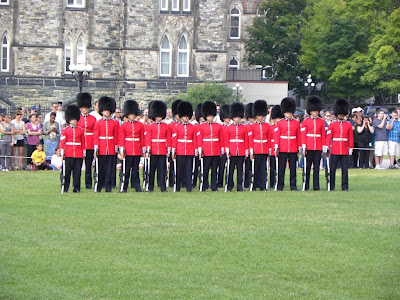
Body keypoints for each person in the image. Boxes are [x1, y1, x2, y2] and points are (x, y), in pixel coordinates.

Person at [325, 98, 354, 191]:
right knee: (332, 169)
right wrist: (326, 146)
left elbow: (350, 137)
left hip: (345, 149)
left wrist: (351, 147)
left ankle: (344, 186)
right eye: (340, 114)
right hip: (335, 149)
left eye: (342, 114)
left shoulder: (348, 124)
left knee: (344, 170)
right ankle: (331, 186)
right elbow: (329, 136)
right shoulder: (333, 125)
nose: (341, 115)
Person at [274, 97, 301, 191]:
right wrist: (276, 146)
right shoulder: (280, 123)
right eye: (287, 112)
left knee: (293, 168)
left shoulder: (296, 123)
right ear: (284, 112)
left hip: (293, 147)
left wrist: (299, 147)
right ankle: (280, 185)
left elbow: (298, 136)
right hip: (283, 147)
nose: (288, 114)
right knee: (281, 168)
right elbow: (277, 135)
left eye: (290, 112)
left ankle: (293, 185)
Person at [118, 100, 145, 192]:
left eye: (134, 114)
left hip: (137, 149)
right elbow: (121, 139)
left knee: (135, 170)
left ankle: (137, 186)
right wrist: (122, 150)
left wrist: (143, 150)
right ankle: (124, 186)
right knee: (126, 169)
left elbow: (142, 138)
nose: (132, 116)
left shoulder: (140, 125)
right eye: (130, 114)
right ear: (128, 115)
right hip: (128, 149)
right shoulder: (123, 126)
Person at [93, 96, 119, 193]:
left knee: (110, 169)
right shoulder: (98, 123)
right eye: (105, 110)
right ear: (102, 111)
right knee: (101, 169)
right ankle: (99, 186)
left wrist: (116, 148)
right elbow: (96, 137)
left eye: (108, 110)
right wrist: (96, 148)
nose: (107, 112)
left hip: (111, 148)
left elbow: (116, 136)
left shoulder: (115, 123)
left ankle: (108, 187)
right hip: (101, 147)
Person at [301, 96, 326, 191]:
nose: (315, 112)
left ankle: (316, 186)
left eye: (316, 111)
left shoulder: (321, 122)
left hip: (318, 146)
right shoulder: (306, 121)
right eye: (314, 111)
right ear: (310, 111)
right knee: (307, 167)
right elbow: (303, 135)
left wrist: (323, 146)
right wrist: (304, 147)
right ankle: (306, 185)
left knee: (317, 167)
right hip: (309, 146)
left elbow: (323, 134)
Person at [198, 101, 223, 192]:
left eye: (212, 116)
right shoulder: (201, 126)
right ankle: (204, 185)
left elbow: (221, 139)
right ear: (205, 116)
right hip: (206, 150)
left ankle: (214, 186)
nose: (210, 118)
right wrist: (200, 150)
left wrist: (221, 149)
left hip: (216, 150)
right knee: (205, 169)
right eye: (209, 116)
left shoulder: (218, 126)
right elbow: (200, 139)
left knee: (214, 170)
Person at [172, 102, 197, 192]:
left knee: (189, 170)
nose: (186, 118)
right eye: (184, 116)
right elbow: (174, 139)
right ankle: (178, 186)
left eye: (187, 116)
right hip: (180, 150)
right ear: (181, 116)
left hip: (189, 150)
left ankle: (188, 187)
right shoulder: (177, 127)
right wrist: (173, 151)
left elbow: (194, 139)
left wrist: (195, 150)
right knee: (179, 170)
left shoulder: (192, 127)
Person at [59, 105, 86, 192]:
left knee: (77, 172)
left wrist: (83, 152)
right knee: (67, 172)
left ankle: (76, 188)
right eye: (72, 119)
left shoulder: (81, 130)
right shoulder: (65, 130)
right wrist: (62, 152)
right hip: (69, 153)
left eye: (75, 119)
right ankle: (65, 187)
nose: (74, 121)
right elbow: (62, 142)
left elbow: (83, 142)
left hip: (78, 153)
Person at [145, 100, 170, 192]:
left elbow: (168, 139)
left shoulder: (166, 126)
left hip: (163, 149)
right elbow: (148, 138)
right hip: (153, 149)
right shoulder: (151, 126)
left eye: (160, 116)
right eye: (157, 116)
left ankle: (162, 186)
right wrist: (148, 150)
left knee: (162, 170)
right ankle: (150, 186)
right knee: (152, 170)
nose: (158, 118)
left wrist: (168, 150)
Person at [225, 102, 248, 192]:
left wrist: (246, 151)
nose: (237, 119)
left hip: (241, 150)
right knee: (230, 170)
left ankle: (239, 186)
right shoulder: (228, 128)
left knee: (240, 170)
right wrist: (227, 150)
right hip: (232, 150)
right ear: (232, 117)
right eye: (235, 117)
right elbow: (227, 140)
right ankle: (230, 185)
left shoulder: (244, 127)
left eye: (238, 117)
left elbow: (246, 140)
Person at [248, 100, 270, 191]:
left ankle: (262, 185)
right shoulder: (252, 126)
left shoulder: (267, 126)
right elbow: (250, 139)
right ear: (256, 116)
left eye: (262, 115)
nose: (261, 117)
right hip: (256, 148)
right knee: (255, 168)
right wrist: (251, 151)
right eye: (259, 115)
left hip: (264, 148)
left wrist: (269, 150)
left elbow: (269, 138)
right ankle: (254, 185)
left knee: (263, 169)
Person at [77, 92, 97, 189]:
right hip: (80, 144)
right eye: (83, 107)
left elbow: (95, 132)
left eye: (86, 107)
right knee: (78, 165)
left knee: (89, 165)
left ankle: (88, 183)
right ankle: (77, 183)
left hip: (89, 143)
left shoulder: (93, 118)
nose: (84, 109)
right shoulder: (77, 118)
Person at [268, 105, 283, 189]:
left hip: (280, 147)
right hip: (272, 148)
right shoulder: (271, 127)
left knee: (280, 166)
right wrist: (270, 149)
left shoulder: (281, 127)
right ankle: (272, 182)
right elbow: (270, 139)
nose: (278, 120)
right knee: (272, 166)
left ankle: (279, 181)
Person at [217, 104, 231, 188]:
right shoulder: (220, 127)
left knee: (230, 167)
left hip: (230, 149)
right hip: (222, 149)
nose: (228, 119)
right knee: (221, 167)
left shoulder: (231, 127)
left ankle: (229, 182)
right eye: (226, 117)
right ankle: (220, 182)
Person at [244, 103, 255, 189]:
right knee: (247, 167)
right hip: (248, 148)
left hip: (256, 148)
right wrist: (247, 150)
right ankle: (246, 182)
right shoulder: (246, 126)